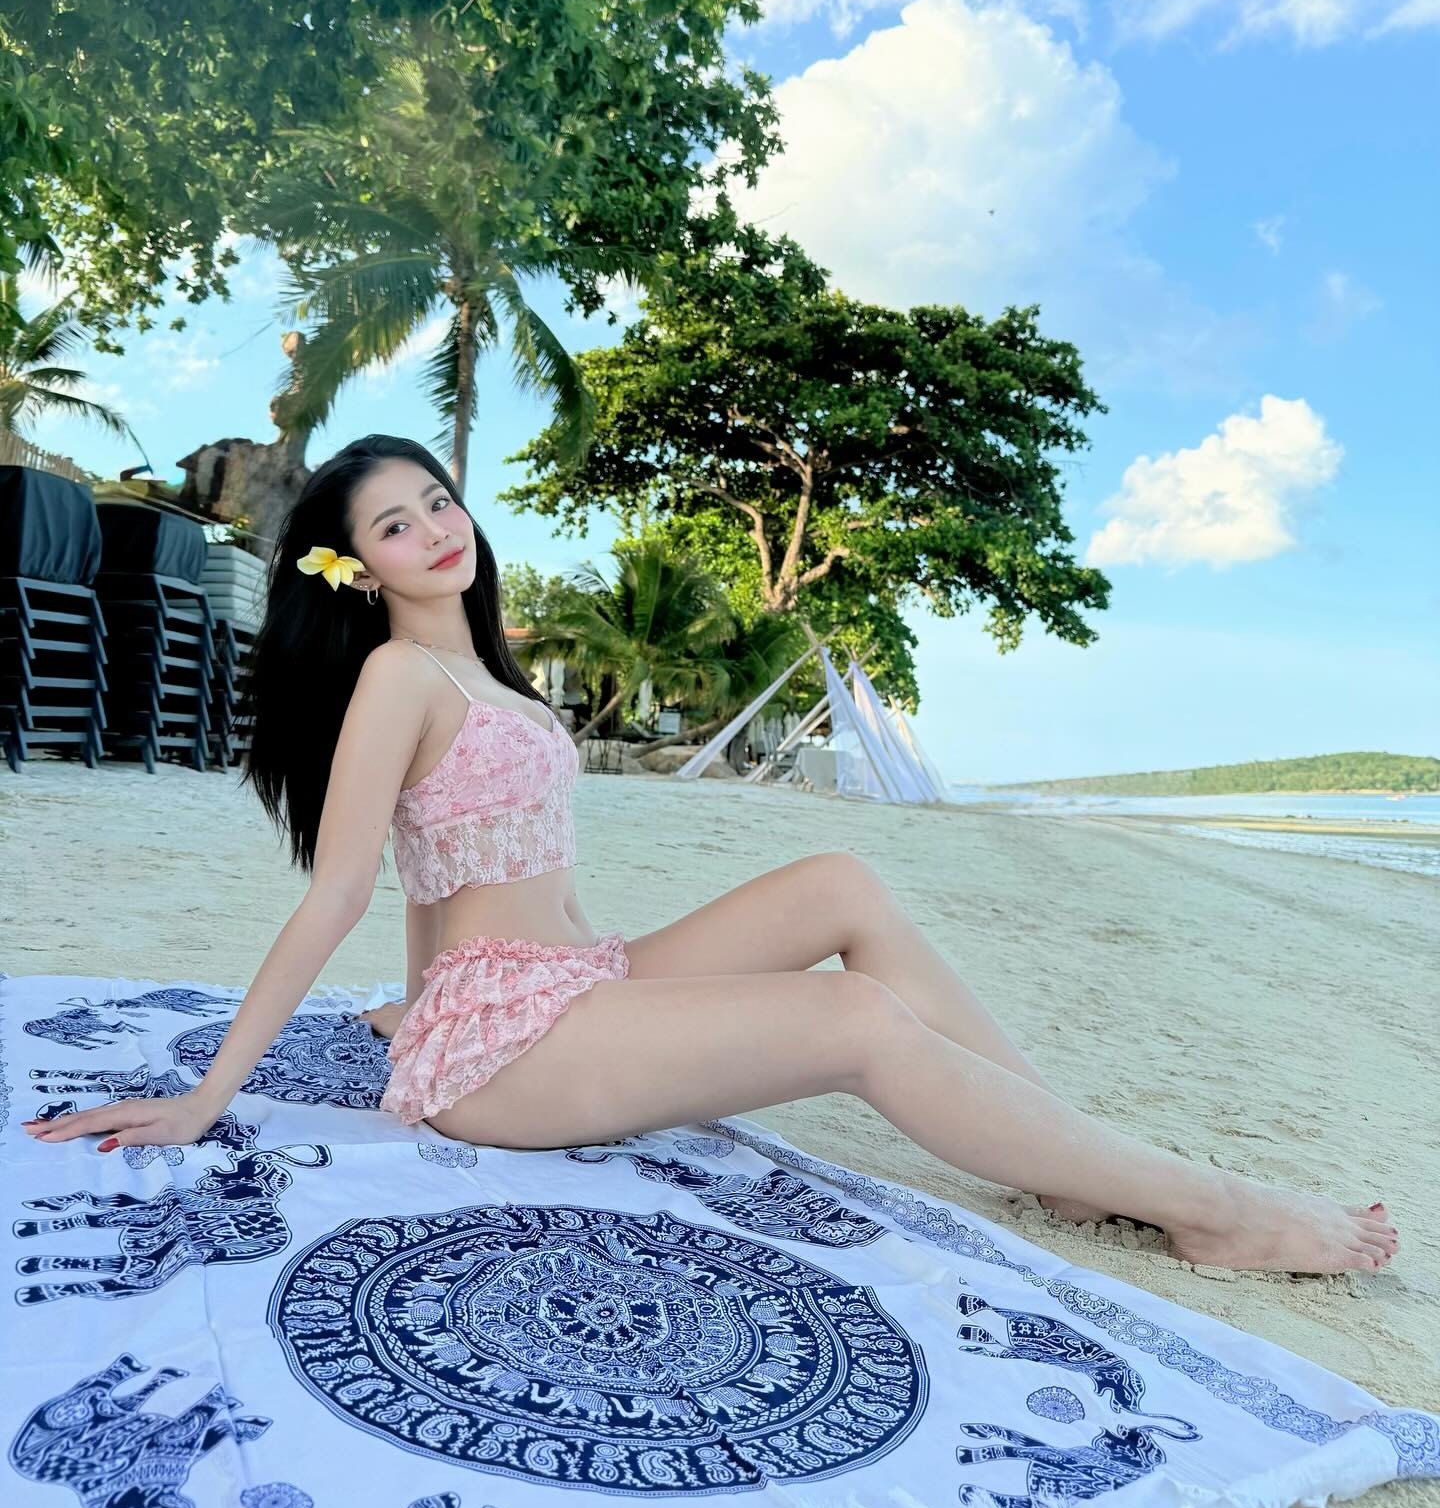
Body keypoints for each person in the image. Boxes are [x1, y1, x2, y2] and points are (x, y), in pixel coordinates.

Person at [25, 434, 1399, 1277]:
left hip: (569, 983)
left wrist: (417, 994)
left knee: (841, 886)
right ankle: (1214, 1209)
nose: (437, 530)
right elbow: (338, 891)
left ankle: (1066, 1160)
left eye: (439, 502)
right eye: (396, 525)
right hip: (505, 1048)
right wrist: (209, 1096)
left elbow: (451, 871)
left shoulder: (491, 677)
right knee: (855, 1019)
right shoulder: (396, 679)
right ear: (356, 565)